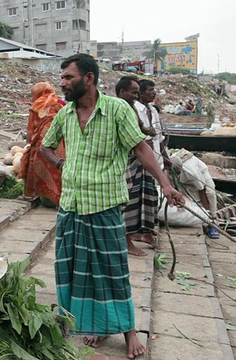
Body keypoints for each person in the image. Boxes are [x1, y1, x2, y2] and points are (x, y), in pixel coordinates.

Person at [39, 54, 183, 359]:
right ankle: (89, 323)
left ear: (88, 78)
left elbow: (140, 147)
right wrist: (62, 163)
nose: (62, 83)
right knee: (74, 268)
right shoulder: (65, 114)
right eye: (62, 77)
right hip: (72, 205)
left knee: (112, 270)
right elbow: (45, 146)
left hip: (104, 204)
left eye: (68, 77)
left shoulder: (117, 110)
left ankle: (129, 331)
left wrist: (166, 184)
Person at [124, 79, 170, 256]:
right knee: (133, 200)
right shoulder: (132, 110)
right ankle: (132, 235)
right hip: (136, 161)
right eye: (150, 90)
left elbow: (159, 138)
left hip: (153, 159)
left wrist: (166, 158)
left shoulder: (152, 111)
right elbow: (138, 137)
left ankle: (146, 232)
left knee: (151, 197)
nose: (154, 93)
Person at [18, 82, 64, 207]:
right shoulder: (59, 104)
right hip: (60, 142)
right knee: (58, 169)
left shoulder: (37, 105)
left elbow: (30, 129)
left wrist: (30, 141)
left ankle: (30, 195)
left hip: (42, 143)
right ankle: (59, 200)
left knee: (34, 166)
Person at [170, 149, 219, 239]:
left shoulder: (190, 171)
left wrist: (206, 212)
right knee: (191, 199)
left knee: (210, 193)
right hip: (184, 179)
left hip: (201, 174)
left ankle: (213, 221)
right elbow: (174, 184)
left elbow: (202, 190)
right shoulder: (169, 165)